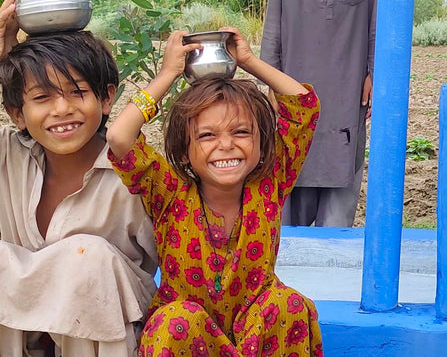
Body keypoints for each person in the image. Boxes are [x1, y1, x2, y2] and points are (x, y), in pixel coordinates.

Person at [105, 27, 323, 356]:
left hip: (257, 333)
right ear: (183, 151)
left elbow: (304, 107)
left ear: (262, 145)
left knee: (287, 304)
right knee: (176, 319)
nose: (226, 146)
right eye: (207, 136)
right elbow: (120, 138)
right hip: (190, 340)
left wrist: (248, 60)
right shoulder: (169, 193)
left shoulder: (269, 184)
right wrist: (167, 74)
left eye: (240, 132)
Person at [0, 0, 158, 357]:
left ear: (106, 99)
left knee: (87, 258)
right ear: (17, 113)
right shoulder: (9, 156)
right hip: (20, 332)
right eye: (41, 98)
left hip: (108, 335)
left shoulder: (132, 174)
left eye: (76, 92)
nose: (61, 109)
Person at [262, 0, 377, 227]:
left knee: (340, 189)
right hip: (293, 87)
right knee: (288, 185)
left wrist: (374, 73)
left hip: (347, 89)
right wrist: (269, 80)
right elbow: (274, 20)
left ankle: (331, 272)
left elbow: (375, 19)